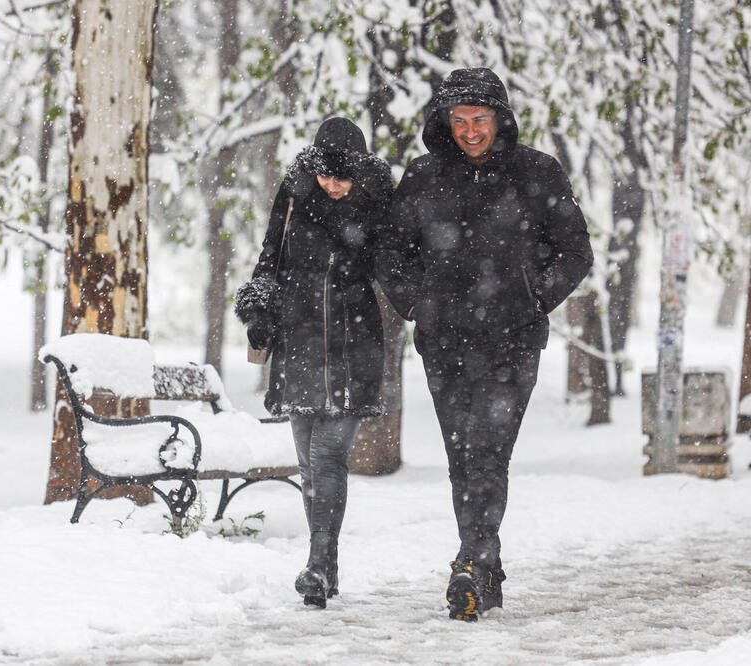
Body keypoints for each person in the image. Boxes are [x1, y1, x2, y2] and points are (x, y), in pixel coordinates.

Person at [374, 68, 594, 621]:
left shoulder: (536, 172)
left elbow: (575, 251)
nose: (471, 130)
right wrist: (417, 302)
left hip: (511, 341)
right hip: (444, 340)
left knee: (490, 452)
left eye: (480, 119)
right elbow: (389, 253)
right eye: (460, 120)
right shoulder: (423, 178)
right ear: (445, 122)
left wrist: (533, 295)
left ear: (500, 119)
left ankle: (471, 559)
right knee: (461, 456)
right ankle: (484, 566)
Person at [235, 117, 393, 609]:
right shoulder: (295, 193)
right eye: (327, 175)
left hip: (353, 342)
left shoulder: (377, 202)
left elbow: (399, 261)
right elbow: (269, 258)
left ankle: (320, 565)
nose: (333, 184)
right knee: (307, 461)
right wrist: (259, 310)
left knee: (327, 456)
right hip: (299, 339)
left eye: (343, 177)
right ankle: (325, 562)